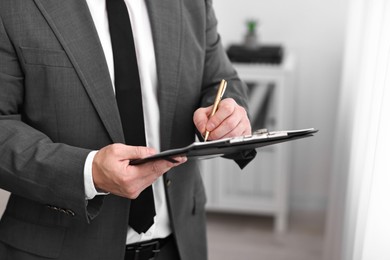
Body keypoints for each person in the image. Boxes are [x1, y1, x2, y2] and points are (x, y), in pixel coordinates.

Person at [0, 0, 255, 259]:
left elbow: (221, 80)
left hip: (180, 245)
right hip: (56, 249)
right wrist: (88, 172)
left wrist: (228, 115)